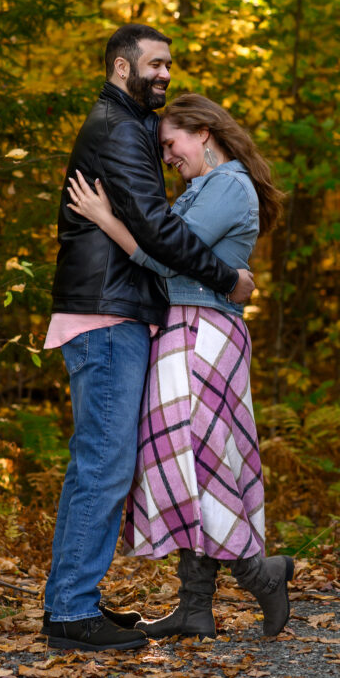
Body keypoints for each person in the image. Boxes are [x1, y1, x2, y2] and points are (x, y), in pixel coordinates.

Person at [42, 25, 255, 652]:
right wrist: (228, 278)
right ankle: (71, 612)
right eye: (155, 64)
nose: (164, 74)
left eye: (169, 64)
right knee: (105, 463)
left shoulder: (127, 124)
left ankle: (73, 601)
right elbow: (157, 229)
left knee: (102, 461)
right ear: (120, 66)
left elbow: (146, 224)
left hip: (113, 310)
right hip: (107, 314)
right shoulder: (117, 127)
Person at [67, 93, 293, 640]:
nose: (167, 155)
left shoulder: (230, 184)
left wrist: (106, 217)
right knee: (188, 463)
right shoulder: (203, 187)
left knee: (195, 460)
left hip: (204, 333)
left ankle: (260, 574)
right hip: (183, 329)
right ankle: (195, 605)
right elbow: (171, 251)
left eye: (171, 143)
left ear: (204, 132)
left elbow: (167, 254)